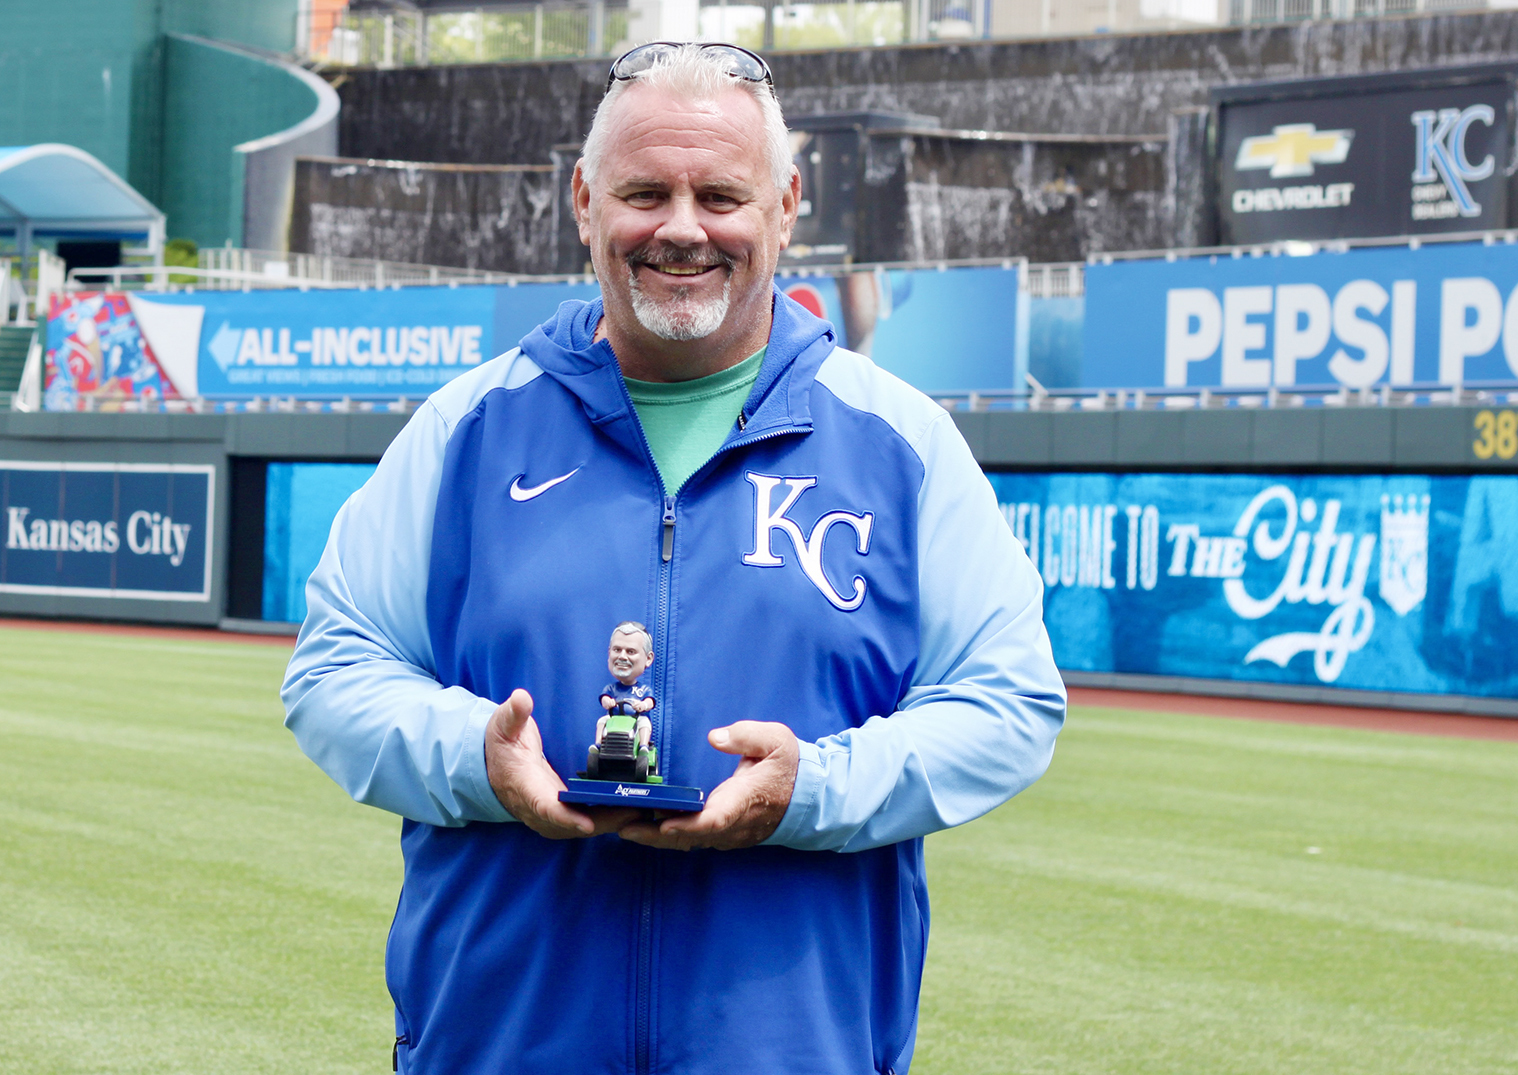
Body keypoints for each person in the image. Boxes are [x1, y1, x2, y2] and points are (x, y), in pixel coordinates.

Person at [282, 41, 1066, 1075]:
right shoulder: (466, 427)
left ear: (785, 208)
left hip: (795, 1049)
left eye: (721, 195)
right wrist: (475, 756)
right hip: (501, 1044)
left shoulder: (901, 442)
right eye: (645, 191)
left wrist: (812, 790)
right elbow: (335, 672)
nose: (683, 227)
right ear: (583, 201)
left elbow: (1007, 704)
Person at [598, 619, 655, 751]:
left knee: (645, 723)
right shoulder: (611, 688)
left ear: (648, 659)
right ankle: (598, 745)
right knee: (601, 721)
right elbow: (604, 697)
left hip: (636, 720)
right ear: (609, 653)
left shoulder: (643, 689)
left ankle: (643, 746)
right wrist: (607, 701)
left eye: (630, 652)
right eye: (617, 650)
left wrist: (643, 705)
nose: (622, 657)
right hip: (615, 720)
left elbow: (650, 701)